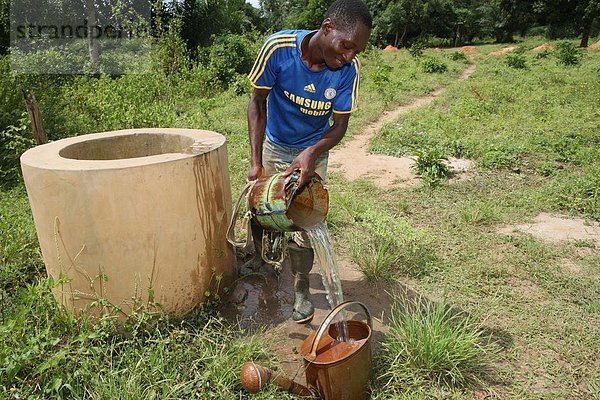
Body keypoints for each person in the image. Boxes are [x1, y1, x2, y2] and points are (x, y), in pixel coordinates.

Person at [242, 0, 372, 323]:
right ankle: (262, 261)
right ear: (327, 29)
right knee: (262, 208)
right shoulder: (278, 49)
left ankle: (301, 288)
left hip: (314, 150)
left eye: (356, 52)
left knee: (306, 220)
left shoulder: (347, 72)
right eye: (346, 46)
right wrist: (256, 162)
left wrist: (311, 154)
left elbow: (339, 126)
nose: (349, 56)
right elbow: (257, 102)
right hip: (276, 144)